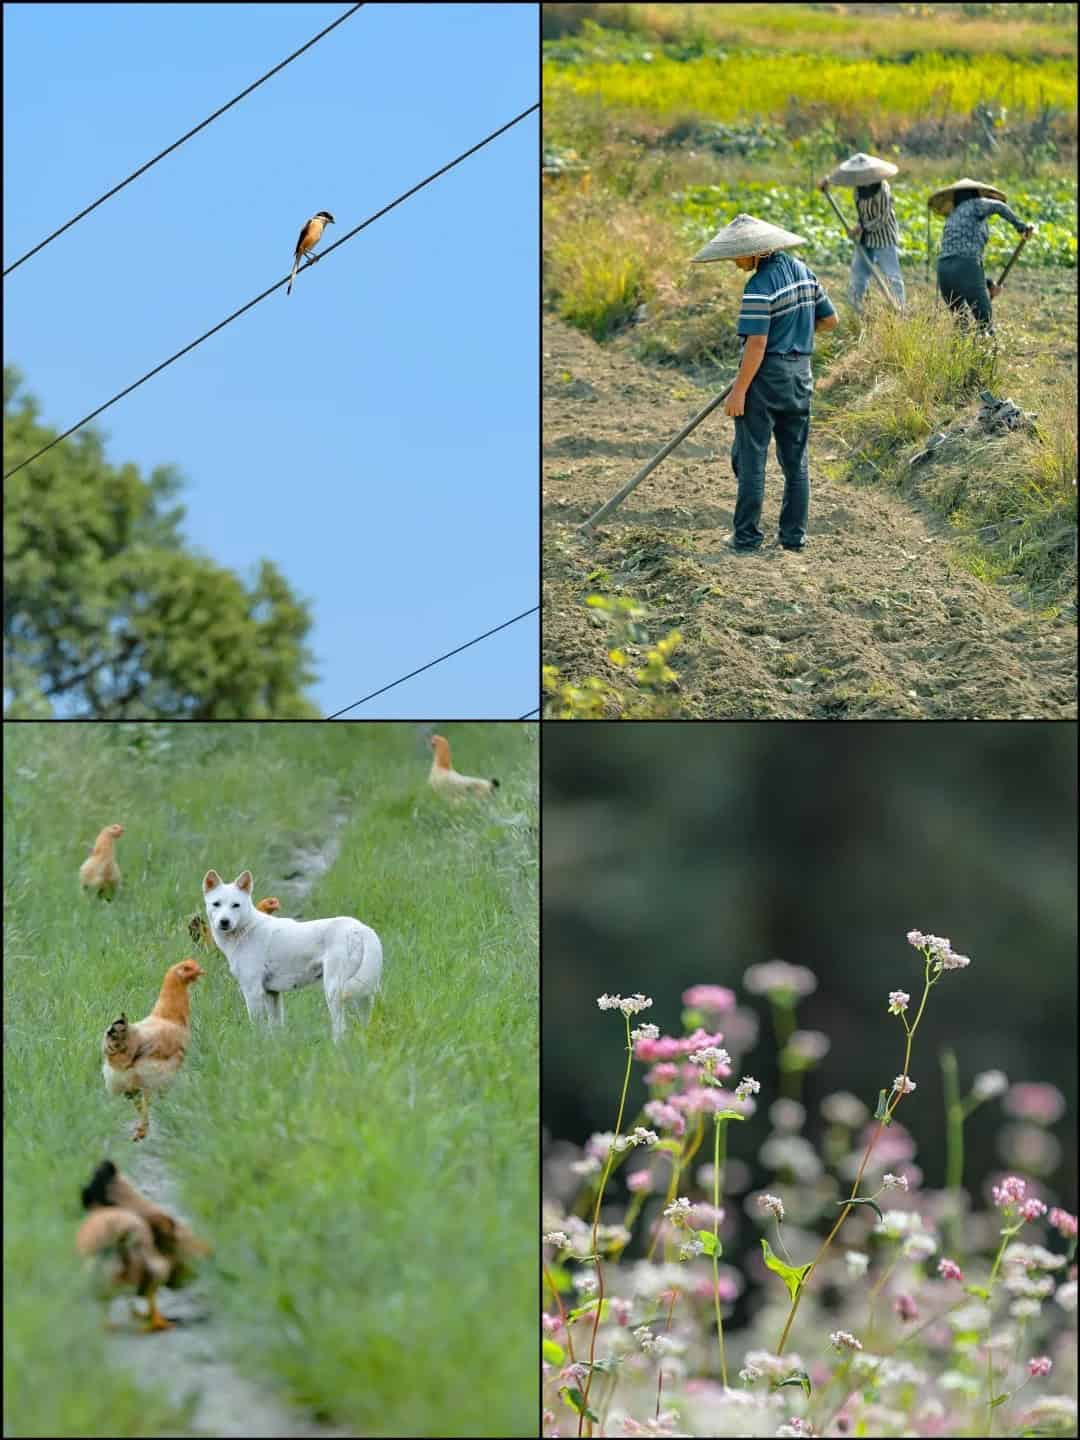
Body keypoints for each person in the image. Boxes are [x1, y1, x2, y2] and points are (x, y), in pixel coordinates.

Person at [691, 213, 838, 553]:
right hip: (800, 375)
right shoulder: (804, 272)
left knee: (751, 457)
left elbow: (756, 345)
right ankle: (793, 537)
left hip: (765, 377)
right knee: (795, 461)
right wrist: (796, 335)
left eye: (738, 254)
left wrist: (739, 391)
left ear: (757, 252)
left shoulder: (759, 286)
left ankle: (746, 538)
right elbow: (830, 319)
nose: (734, 261)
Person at [929, 177, 1035, 333]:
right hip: (966, 266)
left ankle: (958, 356)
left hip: (944, 271)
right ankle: (987, 355)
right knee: (985, 322)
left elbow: (960, 263)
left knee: (961, 323)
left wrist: (989, 284)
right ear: (975, 194)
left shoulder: (952, 216)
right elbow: (1000, 206)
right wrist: (1021, 227)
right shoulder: (974, 204)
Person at [819, 152, 905, 311]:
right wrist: (827, 181)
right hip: (865, 238)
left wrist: (860, 227)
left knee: (891, 277)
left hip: (884, 236)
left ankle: (899, 309)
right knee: (858, 276)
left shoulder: (882, 190)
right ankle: (855, 311)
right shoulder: (858, 190)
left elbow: (882, 218)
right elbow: (862, 214)